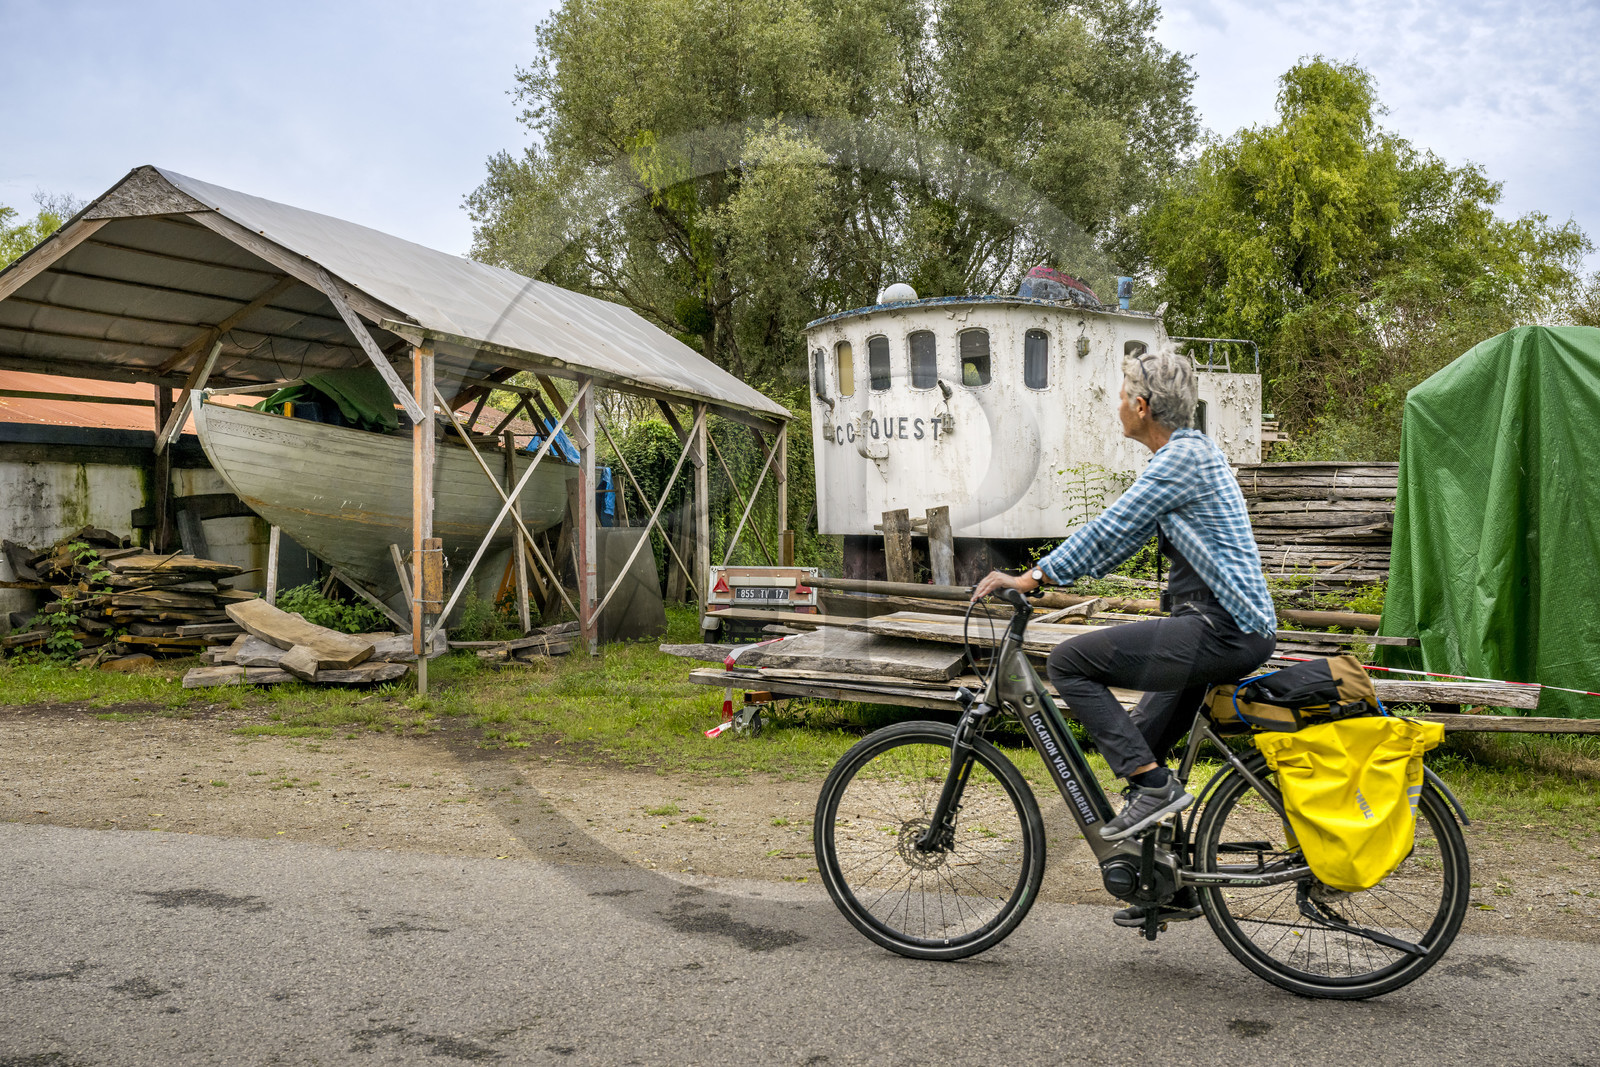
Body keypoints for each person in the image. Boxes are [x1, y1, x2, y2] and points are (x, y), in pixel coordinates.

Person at [971, 344, 1276, 928]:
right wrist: (1054, 577)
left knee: (1069, 663)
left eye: (1120, 395)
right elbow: (1120, 542)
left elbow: (1110, 524)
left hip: (1223, 628)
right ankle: (1171, 883)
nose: (1115, 404)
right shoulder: (1186, 457)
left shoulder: (1181, 461)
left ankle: (1156, 791)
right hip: (1221, 627)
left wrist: (1032, 576)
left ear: (1141, 406)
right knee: (1143, 741)